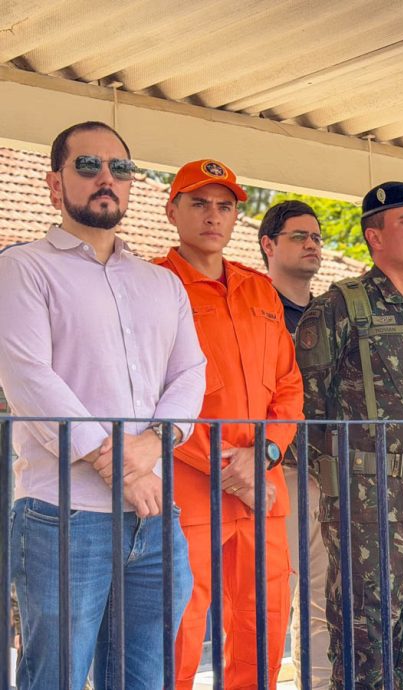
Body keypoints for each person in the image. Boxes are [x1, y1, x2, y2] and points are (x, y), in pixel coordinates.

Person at [0, 121, 206, 689]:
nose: (106, 178)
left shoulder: (162, 284)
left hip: (155, 517)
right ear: (54, 184)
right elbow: (29, 377)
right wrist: (121, 467)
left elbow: (191, 372)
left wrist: (152, 444)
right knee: (56, 678)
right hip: (63, 517)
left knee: (146, 678)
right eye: (88, 166)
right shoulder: (22, 268)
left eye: (120, 168)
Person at [295, 181, 403, 690]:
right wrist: (339, 479)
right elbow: (306, 406)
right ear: (375, 236)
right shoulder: (340, 307)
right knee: (366, 639)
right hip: (366, 501)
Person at [156, 159, 304, 690]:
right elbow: (151, 391)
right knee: (178, 624)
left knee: (263, 620)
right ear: (172, 210)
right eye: (199, 203)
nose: (213, 216)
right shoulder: (154, 285)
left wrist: (263, 455)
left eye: (224, 206)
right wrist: (227, 467)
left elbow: (288, 386)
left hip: (261, 483)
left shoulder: (259, 290)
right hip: (189, 486)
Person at [258, 199, 330, 689]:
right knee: (264, 600)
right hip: (269, 472)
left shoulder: (330, 316)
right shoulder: (251, 308)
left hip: (325, 475)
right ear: (269, 244)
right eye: (299, 236)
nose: (312, 245)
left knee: (326, 601)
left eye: (317, 237)